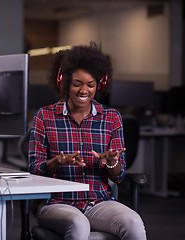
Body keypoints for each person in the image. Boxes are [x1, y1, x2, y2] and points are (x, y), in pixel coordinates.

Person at [28, 42, 147, 240]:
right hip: (56, 203)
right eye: (77, 84)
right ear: (64, 82)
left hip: (98, 201)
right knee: (79, 225)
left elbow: (118, 176)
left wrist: (112, 162)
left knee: (133, 223)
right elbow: (33, 170)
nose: (84, 90)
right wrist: (58, 161)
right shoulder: (44, 116)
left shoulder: (111, 118)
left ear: (99, 85)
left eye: (90, 84)